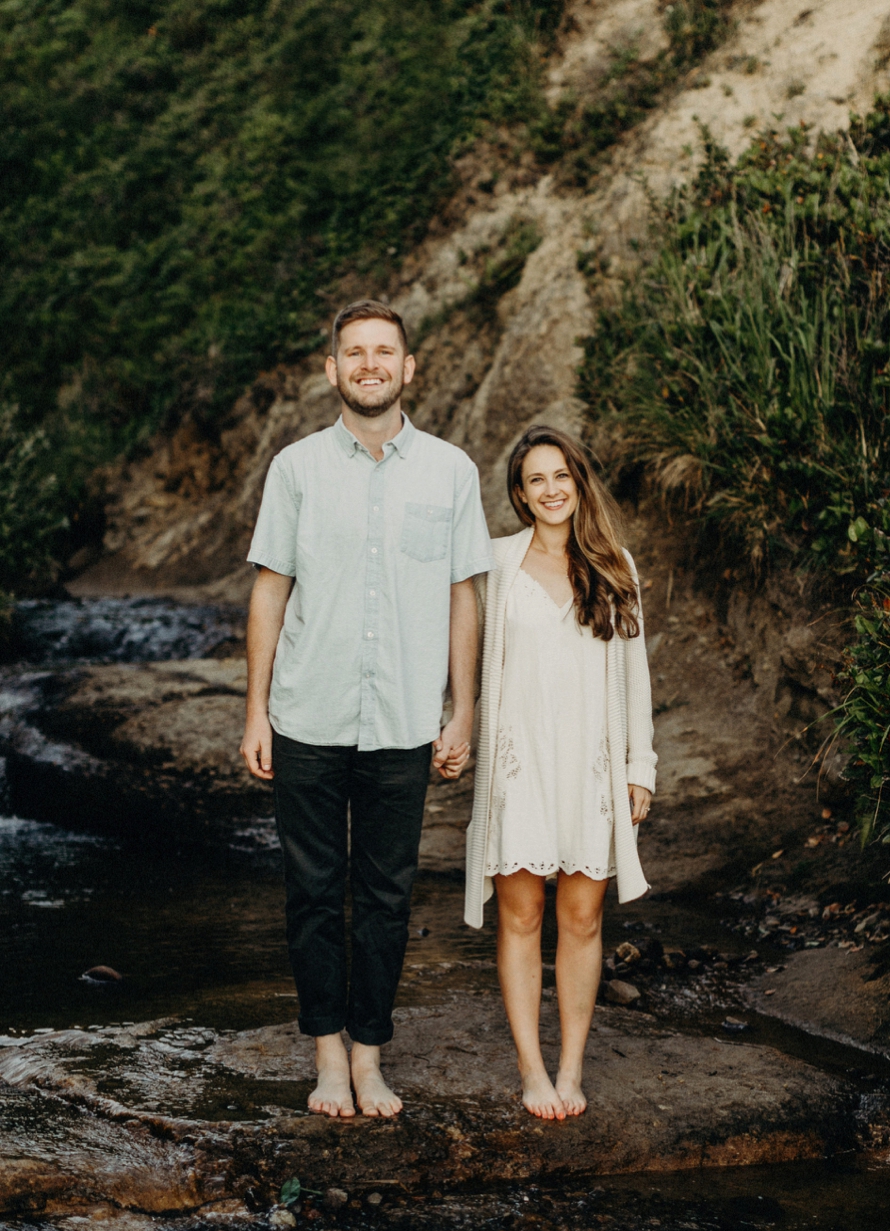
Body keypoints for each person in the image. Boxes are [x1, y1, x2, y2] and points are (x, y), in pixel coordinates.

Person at [241, 298, 491, 1119]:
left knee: (387, 896)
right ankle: (325, 1058)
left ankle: (370, 1056)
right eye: (355, 353)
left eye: (385, 352)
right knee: (312, 892)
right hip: (306, 713)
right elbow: (270, 591)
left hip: (403, 721)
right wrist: (255, 713)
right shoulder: (296, 469)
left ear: (409, 368)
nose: (371, 364)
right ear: (333, 370)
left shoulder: (451, 471)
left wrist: (463, 712)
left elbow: (464, 596)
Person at [460, 425, 656, 1121]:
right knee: (522, 916)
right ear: (519, 493)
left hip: (590, 766)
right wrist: (452, 721)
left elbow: (634, 678)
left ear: (579, 482)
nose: (550, 490)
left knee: (581, 918)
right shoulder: (493, 564)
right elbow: (463, 653)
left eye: (560, 476)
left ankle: (572, 1066)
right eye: (535, 479)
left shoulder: (614, 565)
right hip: (518, 765)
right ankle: (532, 1071)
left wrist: (640, 767)